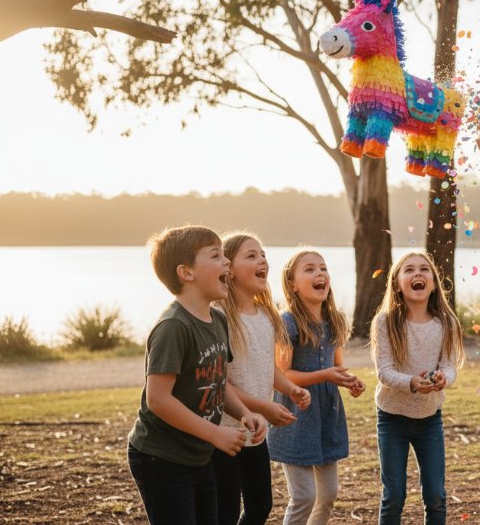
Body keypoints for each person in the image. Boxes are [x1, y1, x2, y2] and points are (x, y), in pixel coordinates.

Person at [127, 225, 268, 525]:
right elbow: (158, 400)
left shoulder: (217, 319)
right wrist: (216, 433)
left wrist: (244, 413)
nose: (227, 262)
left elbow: (218, 381)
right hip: (160, 456)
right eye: (216, 256)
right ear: (186, 272)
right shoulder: (173, 327)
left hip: (198, 453)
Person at [211, 233, 312, 525]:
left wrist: (291, 388)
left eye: (263, 254)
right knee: (225, 512)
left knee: (260, 507)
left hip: (256, 433)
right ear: (229, 268)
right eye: (251, 255)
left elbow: (267, 368)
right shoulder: (219, 317)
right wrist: (264, 408)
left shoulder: (268, 316)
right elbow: (220, 383)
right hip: (224, 431)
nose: (262, 260)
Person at [268, 249, 365, 525]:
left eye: (323, 268)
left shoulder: (335, 321)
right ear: (292, 285)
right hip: (296, 416)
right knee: (303, 496)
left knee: (328, 495)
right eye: (309, 269)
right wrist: (326, 375)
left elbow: (338, 368)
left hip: (326, 416)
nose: (319, 273)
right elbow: (283, 374)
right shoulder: (288, 323)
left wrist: (350, 382)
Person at [370, 252, 466, 525]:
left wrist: (442, 379)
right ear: (397, 284)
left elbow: (450, 366)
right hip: (392, 418)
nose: (418, 274)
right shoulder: (386, 322)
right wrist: (412, 382)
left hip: (429, 419)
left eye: (425, 269)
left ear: (434, 283)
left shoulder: (445, 323)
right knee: (394, 495)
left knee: (435, 494)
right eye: (409, 270)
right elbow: (384, 372)